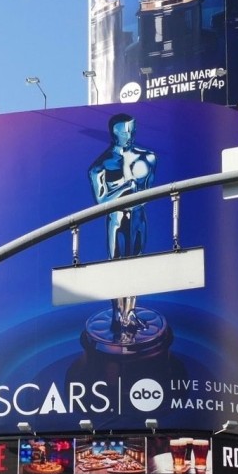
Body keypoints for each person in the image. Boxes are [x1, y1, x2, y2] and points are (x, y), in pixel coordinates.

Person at [87, 112, 157, 337]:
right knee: (116, 265)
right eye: (124, 131)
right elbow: (101, 202)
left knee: (137, 263)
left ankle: (131, 312)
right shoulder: (100, 165)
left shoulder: (148, 157)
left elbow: (149, 192)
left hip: (138, 218)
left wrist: (136, 191)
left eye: (132, 129)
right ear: (114, 133)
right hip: (116, 219)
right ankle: (118, 313)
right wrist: (127, 188)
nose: (130, 135)